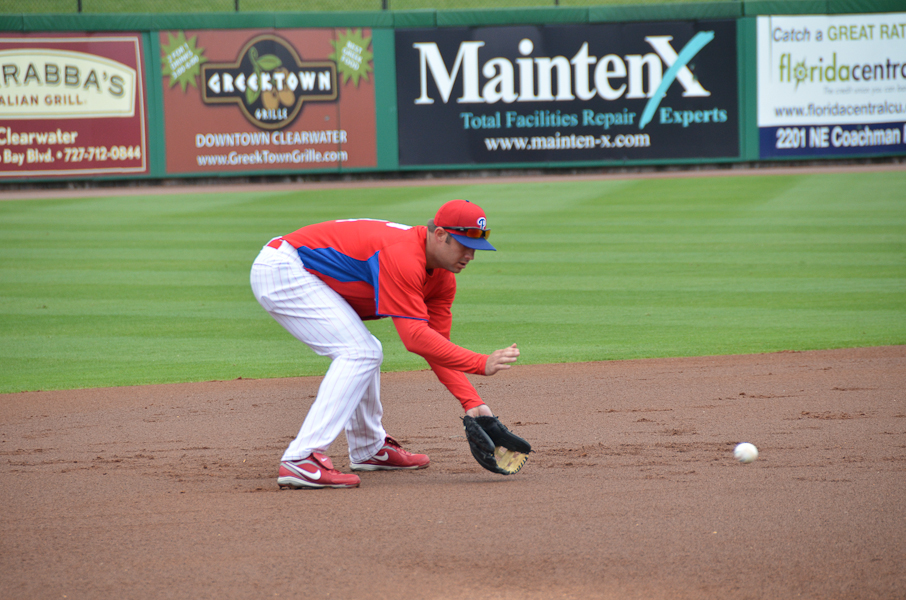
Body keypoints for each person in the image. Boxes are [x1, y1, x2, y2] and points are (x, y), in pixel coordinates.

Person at [250, 199, 520, 489]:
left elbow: (436, 347)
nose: (470, 255)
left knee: (366, 351)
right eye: (464, 245)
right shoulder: (403, 255)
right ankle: (302, 458)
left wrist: (473, 402)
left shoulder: (442, 279)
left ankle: (369, 448)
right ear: (440, 235)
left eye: (475, 248)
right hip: (283, 268)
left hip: (302, 269)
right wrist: (480, 363)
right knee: (360, 352)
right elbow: (415, 338)